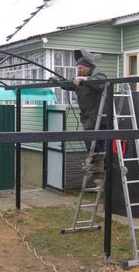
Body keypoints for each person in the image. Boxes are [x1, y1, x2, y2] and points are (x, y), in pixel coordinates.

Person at [50, 49, 107, 181]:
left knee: (96, 143)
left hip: (98, 118)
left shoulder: (98, 74)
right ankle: (95, 169)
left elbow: (101, 83)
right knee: (90, 143)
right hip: (88, 118)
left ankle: (97, 166)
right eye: (78, 68)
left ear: (88, 67)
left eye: (81, 68)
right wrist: (57, 81)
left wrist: (85, 79)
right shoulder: (80, 80)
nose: (79, 70)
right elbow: (70, 84)